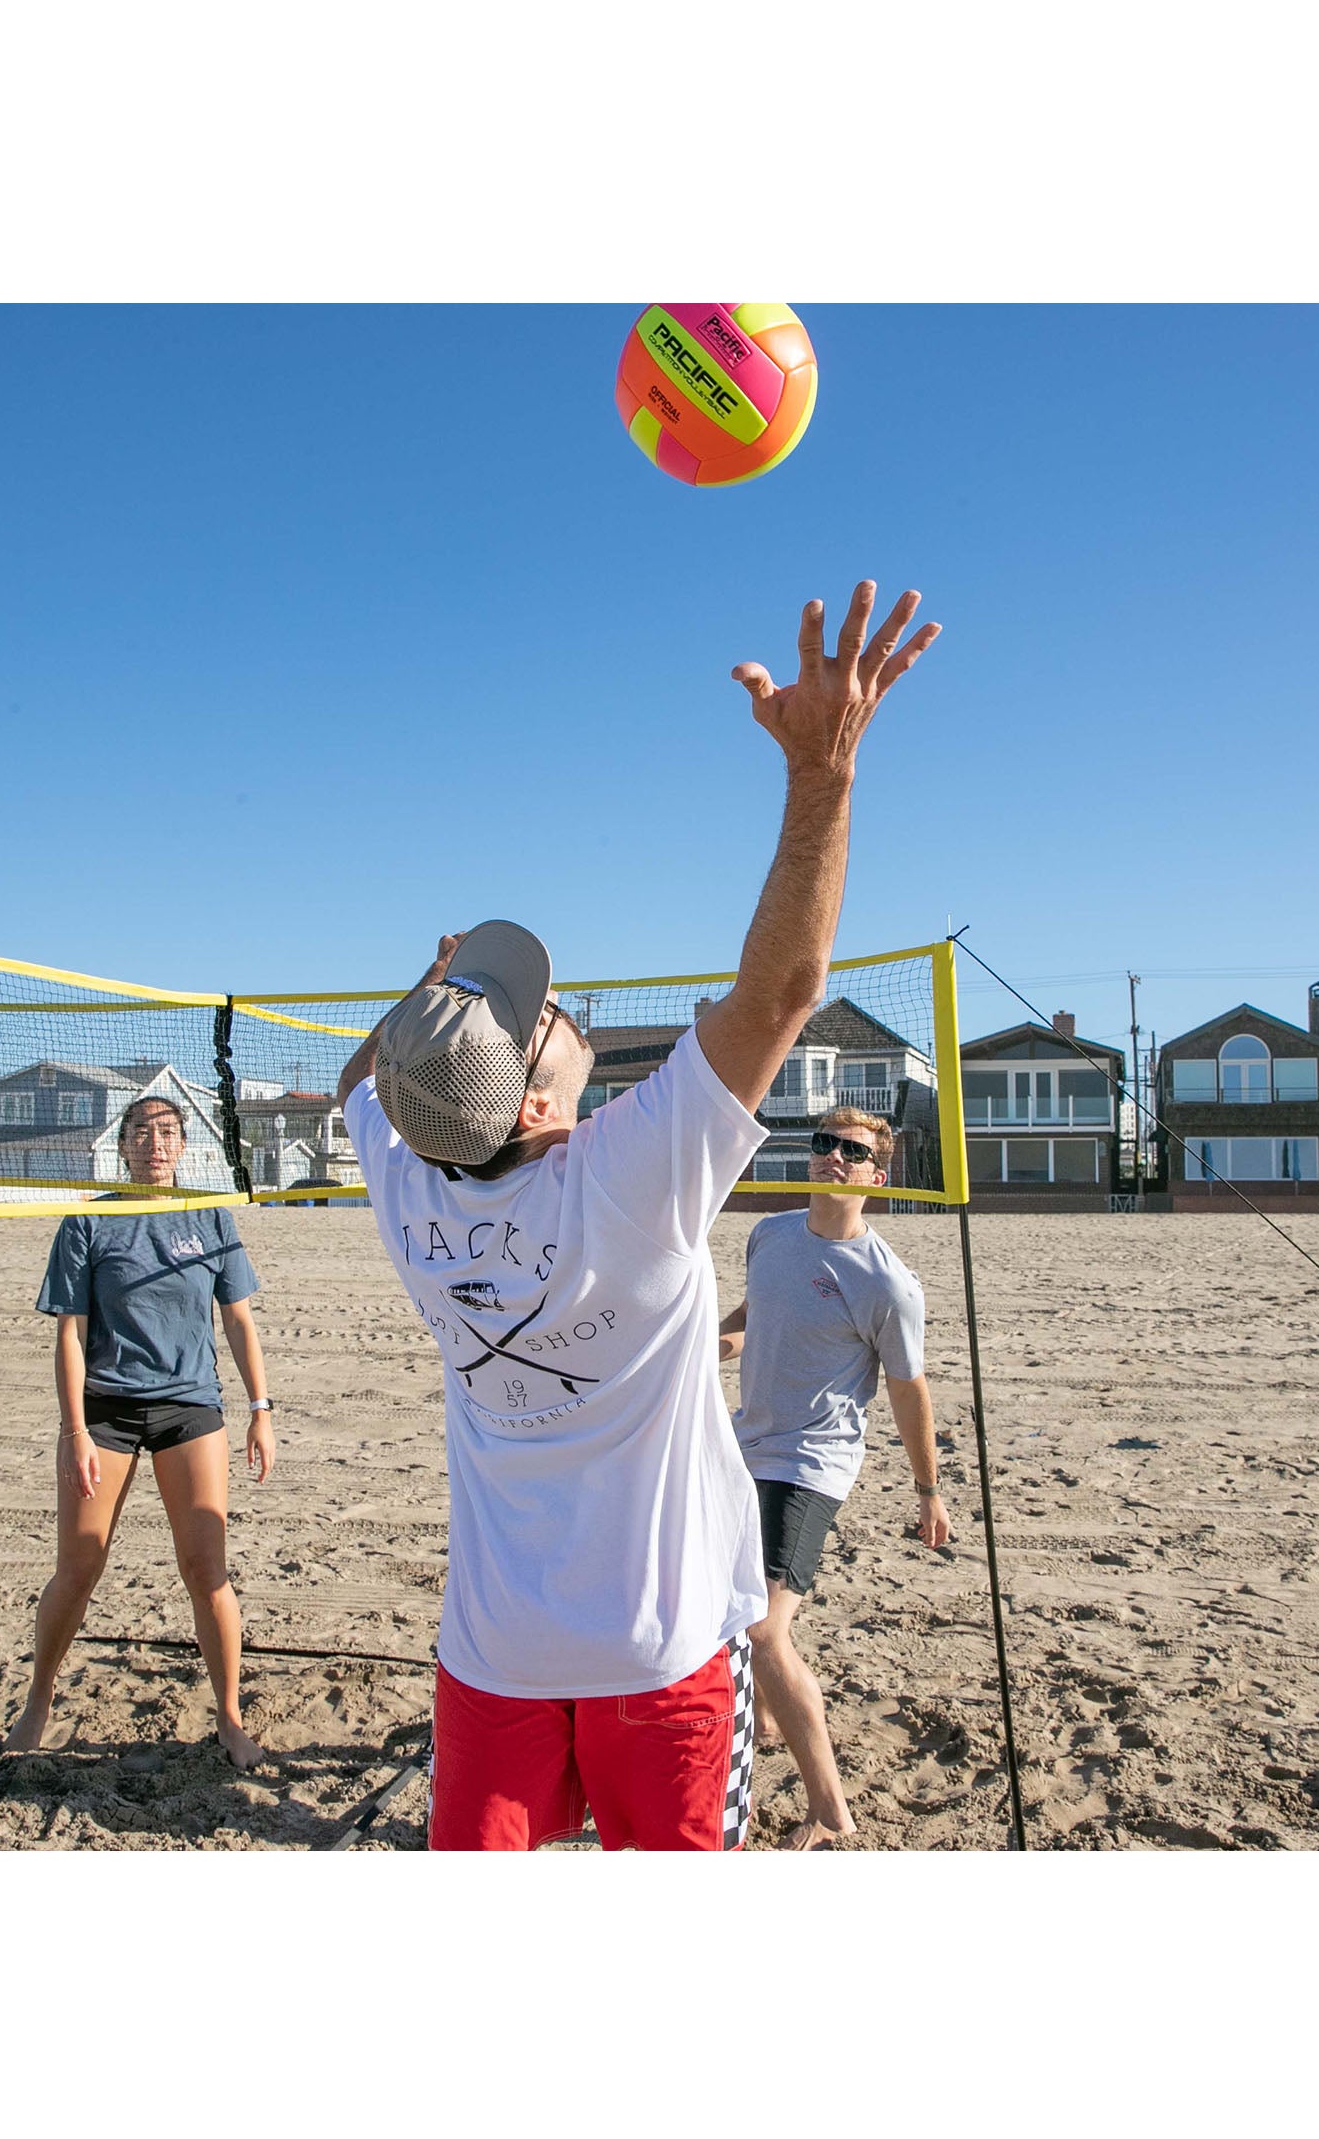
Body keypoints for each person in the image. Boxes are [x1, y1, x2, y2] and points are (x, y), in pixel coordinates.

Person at [336, 582, 941, 1849]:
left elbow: (368, 1092)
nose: (559, 1017)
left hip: (492, 1661)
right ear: (545, 1108)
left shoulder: (403, 1183)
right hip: (657, 1660)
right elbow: (786, 986)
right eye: (541, 1023)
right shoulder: (623, 1174)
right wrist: (822, 772)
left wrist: (432, 1006)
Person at [1, 1093, 276, 1768]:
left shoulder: (209, 1216)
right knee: (79, 1567)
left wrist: (261, 1409)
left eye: (168, 1133)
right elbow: (71, 1332)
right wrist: (75, 1431)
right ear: (122, 1144)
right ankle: (38, 1700)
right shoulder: (89, 1223)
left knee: (206, 1569)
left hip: (189, 1407)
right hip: (108, 1410)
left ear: (184, 1146)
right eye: (142, 1133)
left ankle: (230, 1718)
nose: (155, 1144)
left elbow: (239, 1321)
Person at [718, 1107, 948, 1848]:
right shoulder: (771, 1234)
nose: (832, 1158)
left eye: (851, 1151)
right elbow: (756, 1315)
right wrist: (708, 1343)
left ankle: (829, 1811)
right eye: (824, 1144)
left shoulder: (889, 1284)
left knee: (763, 1627)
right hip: (742, 1446)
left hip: (812, 1464)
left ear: (877, 1176)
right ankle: (739, 1771)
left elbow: (910, 1390)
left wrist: (928, 1491)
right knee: (723, 1622)